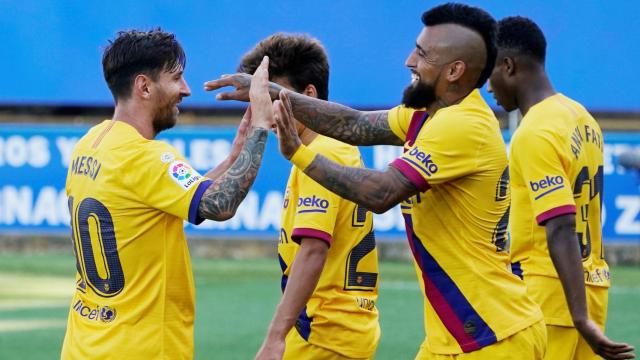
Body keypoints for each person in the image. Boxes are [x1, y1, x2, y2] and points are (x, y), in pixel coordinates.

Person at [207, 3, 546, 359]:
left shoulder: (463, 125)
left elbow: (383, 191)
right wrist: (272, 93)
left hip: (493, 336)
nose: (409, 61)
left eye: (422, 53)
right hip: (453, 338)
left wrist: (299, 154)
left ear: (454, 71)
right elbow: (353, 124)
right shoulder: (427, 115)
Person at [61, 29, 274, 359]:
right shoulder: (147, 157)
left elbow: (177, 194)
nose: (186, 90)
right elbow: (219, 204)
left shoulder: (90, 144)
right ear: (144, 86)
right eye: (176, 78)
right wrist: (261, 125)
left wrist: (233, 159)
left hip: (85, 346)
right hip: (140, 350)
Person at [487, 16, 635, 360]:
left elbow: (561, 226)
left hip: (549, 297)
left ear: (508, 66)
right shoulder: (583, 118)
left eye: (490, 72)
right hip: (591, 288)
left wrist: (578, 317)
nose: (488, 87)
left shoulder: (535, 130)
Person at [237, 33, 380, 360]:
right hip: (340, 331)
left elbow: (314, 249)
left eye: (271, 98)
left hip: (324, 336)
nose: (266, 114)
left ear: (308, 95)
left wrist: (275, 336)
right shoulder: (328, 149)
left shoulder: (324, 151)